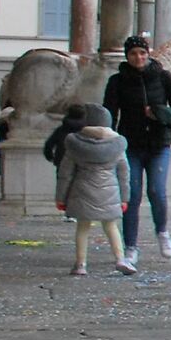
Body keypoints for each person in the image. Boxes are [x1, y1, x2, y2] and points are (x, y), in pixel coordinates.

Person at [100, 33, 171, 265]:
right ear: (127, 57)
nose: (138, 57)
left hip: (159, 142)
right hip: (131, 143)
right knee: (132, 195)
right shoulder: (117, 81)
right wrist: (110, 137)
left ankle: (162, 232)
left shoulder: (164, 77)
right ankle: (131, 246)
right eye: (134, 54)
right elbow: (109, 112)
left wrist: (163, 114)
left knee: (157, 190)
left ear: (148, 54)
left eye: (142, 53)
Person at [57, 104, 132, 277]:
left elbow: (65, 173)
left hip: (82, 190)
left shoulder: (75, 143)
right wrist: (125, 197)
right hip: (110, 191)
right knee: (111, 226)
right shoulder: (117, 144)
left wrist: (61, 197)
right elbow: (124, 173)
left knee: (83, 227)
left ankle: (81, 264)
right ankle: (120, 259)